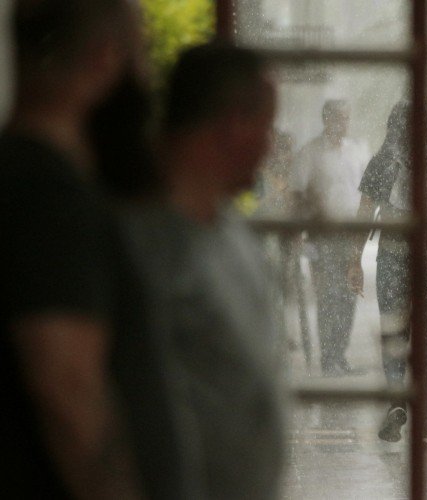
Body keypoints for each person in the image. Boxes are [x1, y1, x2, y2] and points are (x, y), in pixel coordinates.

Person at [0, 0, 185, 497]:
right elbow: (68, 390)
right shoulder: (49, 197)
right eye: (141, 57)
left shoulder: (36, 182)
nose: (147, 80)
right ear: (106, 59)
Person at [119, 43, 285, 499]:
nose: (270, 146)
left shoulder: (231, 230)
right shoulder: (137, 245)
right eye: (266, 127)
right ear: (234, 124)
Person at [347, 101, 427, 450]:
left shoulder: (383, 162)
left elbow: (365, 213)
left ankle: (398, 402)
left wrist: (354, 260)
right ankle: (426, 428)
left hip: (393, 256)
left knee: (395, 335)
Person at [290, 100, 369, 375]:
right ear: (326, 119)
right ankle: (328, 356)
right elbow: (297, 193)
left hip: (350, 236)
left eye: (346, 118)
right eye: (337, 118)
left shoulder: (357, 152)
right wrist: (299, 232)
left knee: (348, 294)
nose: (343, 124)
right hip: (321, 236)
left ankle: (340, 353)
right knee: (327, 296)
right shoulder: (310, 153)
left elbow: (366, 196)